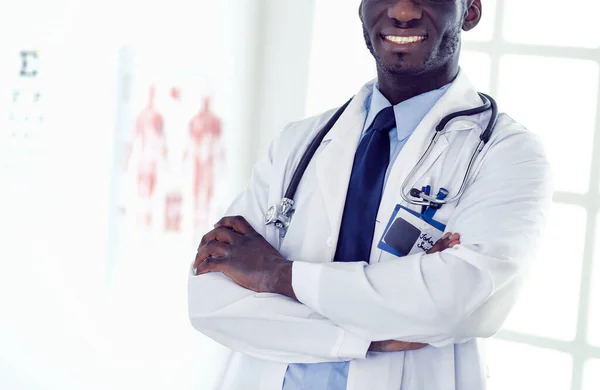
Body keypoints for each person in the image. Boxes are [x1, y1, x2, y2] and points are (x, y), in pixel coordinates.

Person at [187, 0, 553, 389]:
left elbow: (456, 301)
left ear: (471, 11)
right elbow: (211, 300)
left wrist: (275, 275)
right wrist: (370, 337)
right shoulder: (298, 143)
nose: (403, 11)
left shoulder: (507, 154)